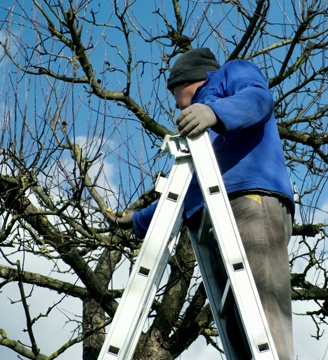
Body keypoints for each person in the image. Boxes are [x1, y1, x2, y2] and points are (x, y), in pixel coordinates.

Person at [125, 48, 295, 359]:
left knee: (263, 310)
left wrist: (213, 113)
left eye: (175, 94)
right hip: (214, 218)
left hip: (251, 200)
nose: (176, 105)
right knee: (238, 327)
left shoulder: (232, 73)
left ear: (185, 81)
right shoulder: (202, 145)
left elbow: (259, 99)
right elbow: (189, 189)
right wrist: (140, 219)